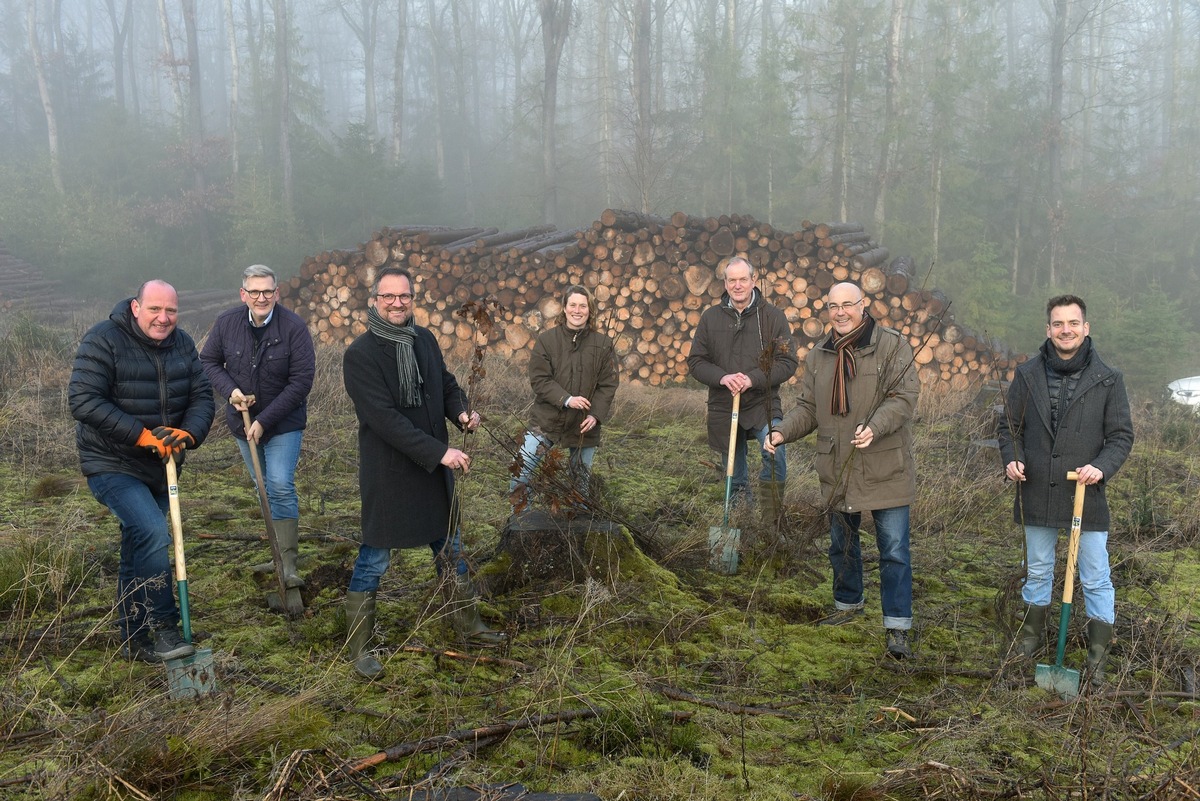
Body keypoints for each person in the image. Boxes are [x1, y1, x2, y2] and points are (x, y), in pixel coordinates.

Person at [341, 266, 506, 679]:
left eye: (405, 296)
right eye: (389, 296)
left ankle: (469, 625)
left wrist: (462, 412)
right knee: (374, 558)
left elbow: (446, 385)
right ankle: (358, 649)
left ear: (413, 299)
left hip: (433, 471)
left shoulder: (424, 339)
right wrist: (440, 452)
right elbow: (384, 420)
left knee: (451, 548)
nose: (397, 303)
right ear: (375, 300)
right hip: (391, 473)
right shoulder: (359, 355)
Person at [766, 282, 919, 659]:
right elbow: (808, 408)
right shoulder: (819, 355)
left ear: (862, 306)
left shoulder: (891, 345)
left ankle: (897, 626)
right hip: (837, 465)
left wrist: (876, 426)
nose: (840, 312)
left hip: (885, 463)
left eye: (847, 304)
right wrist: (782, 430)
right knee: (842, 544)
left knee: (895, 549)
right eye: (833, 305)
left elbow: (904, 398)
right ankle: (847, 606)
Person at [68, 280, 216, 662]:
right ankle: (164, 627)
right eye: (154, 309)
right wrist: (142, 436)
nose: (163, 318)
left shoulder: (182, 343)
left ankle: (133, 639)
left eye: (171, 311)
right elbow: (84, 400)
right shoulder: (104, 339)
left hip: (161, 466)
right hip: (111, 462)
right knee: (151, 531)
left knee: (138, 547)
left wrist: (191, 433)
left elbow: (202, 395)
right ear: (136, 307)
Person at [997, 294, 1133, 686]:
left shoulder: (1108, 378)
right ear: (1048, 329)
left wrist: (1101, 467)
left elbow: (1121, 436)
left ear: (1085, 328)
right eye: (1058, 324)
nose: (1066, 330)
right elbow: (1009, 427)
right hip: (1036, 486)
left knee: (1095, 576)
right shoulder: (1027, 374)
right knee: (1038, 570)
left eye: (1073, 323)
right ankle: (1029, 644)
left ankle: (1097, 660)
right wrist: (1012, 458)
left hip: (1085, 493)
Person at [200, 265, 316, 589]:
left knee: (279, 483)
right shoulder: (227, 323)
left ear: (277, 293)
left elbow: (302, 381)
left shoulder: (294, 327)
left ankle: (289, 564)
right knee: (262, 487)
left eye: (267, 291)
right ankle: (276, 555)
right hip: (242, 423)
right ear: (243, 294)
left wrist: (265, 420)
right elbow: (208, 361)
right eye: (255, 291)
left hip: (284, 423)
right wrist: (231, 391)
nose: (261, 297)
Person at [686, 256, 798, 521]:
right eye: (732, 280)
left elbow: (787, 362)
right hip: (725, 406)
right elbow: (696, 361)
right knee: (734, 474)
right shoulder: (710, 318)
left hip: (763, 404)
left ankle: (770, 522)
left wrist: (752, 379)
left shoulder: (773, 318)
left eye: (743, 279)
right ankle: (741, 521)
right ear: (725, 284)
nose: (738, 285)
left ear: (753, 281)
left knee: (776, 454)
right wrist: (723, 377)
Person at [509, 284, 619, 510]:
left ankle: (575, 534)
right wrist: (566, 399)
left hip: (584, 424)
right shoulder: (547, 341)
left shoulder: (603, 345)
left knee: (580, 487)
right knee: (521, 472)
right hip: (547, 420)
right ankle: (521, 526)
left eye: (583, 305)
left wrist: (596, 415)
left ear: (590, 309)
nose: (577, 310)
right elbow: (539, 379)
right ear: (564, 309)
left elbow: (608, 384)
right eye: (573, 305)